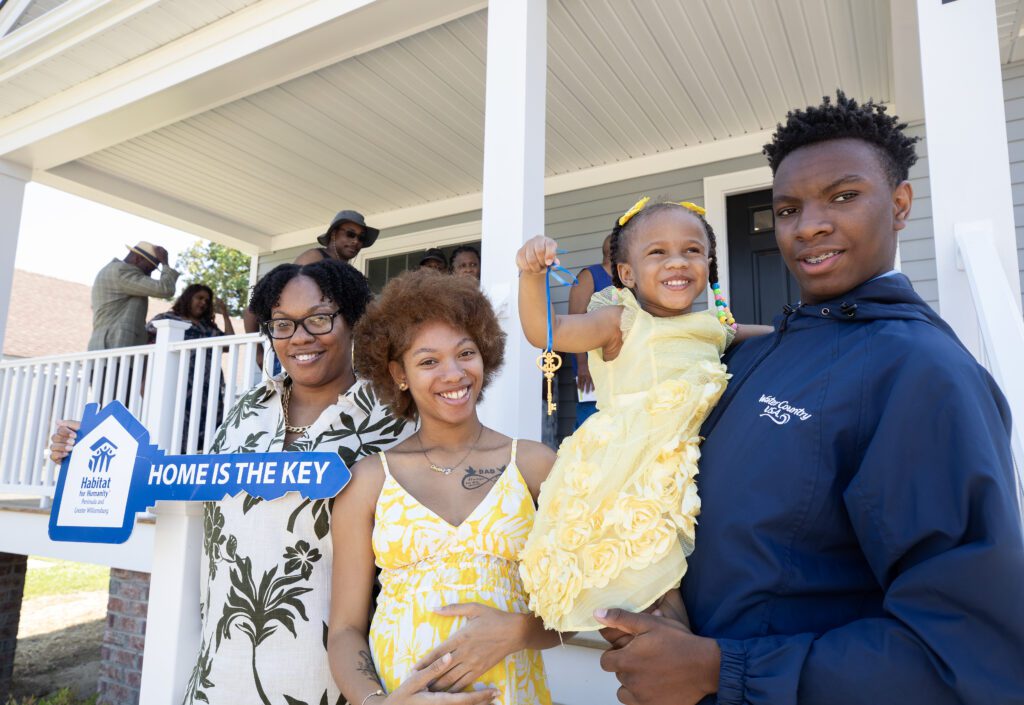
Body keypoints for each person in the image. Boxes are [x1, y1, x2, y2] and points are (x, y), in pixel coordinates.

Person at [594, 92, 1024, 705]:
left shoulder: (923, 374)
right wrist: (666, 621)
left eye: (844, 197)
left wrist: (723, 671)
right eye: (789, 208)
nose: (810, 225)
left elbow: (965, 653)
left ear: (900, 205)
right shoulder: (755, 354)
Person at [52, 259, 410, 705]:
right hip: (220, 677)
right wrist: (85, 454)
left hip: (336, 682)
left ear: (353, 320)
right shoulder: (244, 412)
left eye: (319, 319)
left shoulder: (393, 424)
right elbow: (186, 483)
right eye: (282, 324)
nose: (300, 336)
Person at [516, 200, 770, 633]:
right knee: (651, 583)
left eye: (692, 251)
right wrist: (532, 274)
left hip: (693, 467)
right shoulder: (620, 322)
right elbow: (546, 331)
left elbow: (777, 338)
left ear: (708, 266)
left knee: (698, 574)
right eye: (658, 252)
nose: (677, 262)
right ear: (628, 273)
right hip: (632, 472)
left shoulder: (715, 326)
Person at [328, 270, 560, 705]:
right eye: (428, 361)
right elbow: (344, 630)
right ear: (398, 372)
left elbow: (585, 604)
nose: (453, 374)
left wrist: (521, 629)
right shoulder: (369, 480)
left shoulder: (534, 465)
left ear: (485, 355)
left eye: (465, 353)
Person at [244, 210, 380, 343]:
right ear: (333, 234)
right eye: (350, 234)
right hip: (298, 344)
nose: (356, 241)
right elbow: (255, 307)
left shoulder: (348, 275)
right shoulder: (314, 257)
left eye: (361, 238)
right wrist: (257, 353)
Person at [145, 283, 235, 452]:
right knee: (180, 425)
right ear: (188, 298)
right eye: (199, 298)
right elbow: (148, 330)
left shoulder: (208, 327)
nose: (203, 303)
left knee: (211, 427)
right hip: (181, 383)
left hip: (209, 386)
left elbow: (228, 345)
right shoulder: (168, 319)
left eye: (207, 301)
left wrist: (225, 314)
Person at [88, 241, 179, 350]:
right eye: (149, 269)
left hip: (105, 345)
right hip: (115, 344)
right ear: (137, 259)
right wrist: (165, 263)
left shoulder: (112, 270)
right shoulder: (122, 271)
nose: (149, 275)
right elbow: (165, 289)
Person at [567, 234, 613, 428]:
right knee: (592, 421)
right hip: (590, 366)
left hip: (620, 365)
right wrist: (582, 365)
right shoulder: (589, 276)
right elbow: (575, 321)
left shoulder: (630, 279)